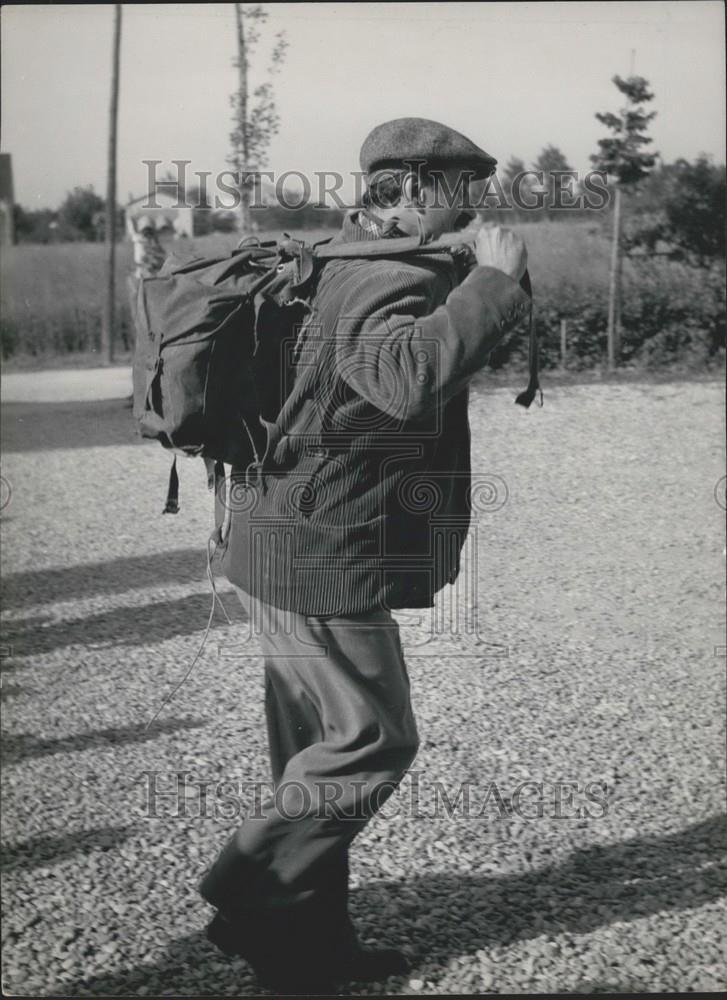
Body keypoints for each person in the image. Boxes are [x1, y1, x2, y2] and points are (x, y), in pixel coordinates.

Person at [199, 117, 531, 992]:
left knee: (313, 753)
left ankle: (303, 950)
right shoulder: (381, 275)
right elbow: (397, 381)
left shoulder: (339, 261)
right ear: (416, 190)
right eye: (465, 192)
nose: (475, 208)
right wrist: (493, 282)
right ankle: (247, 888)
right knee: (372, 742)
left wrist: (463, 279)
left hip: (275, 542)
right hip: (321, 556)